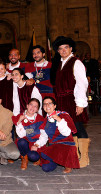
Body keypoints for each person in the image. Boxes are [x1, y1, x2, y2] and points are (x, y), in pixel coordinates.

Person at [52, 36, 90, 168]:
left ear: (71, 48)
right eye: (60, 49)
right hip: (62, 101)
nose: (63, 51)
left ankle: (84, 157)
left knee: (78, 128)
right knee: (69, 129)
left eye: (66, 48)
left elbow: (82, 83)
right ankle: (76, 155)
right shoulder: (61, 64)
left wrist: (80, 103)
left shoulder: (76, 62)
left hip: (72, 100)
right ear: (58, 51)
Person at [35, 97, 80, 173]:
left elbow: (66, 133)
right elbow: (44, 137)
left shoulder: (63, 115)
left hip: (66, 146)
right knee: (46, 168)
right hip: (54, 147)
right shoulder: (45, 120)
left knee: (46, 154)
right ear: (43, 107)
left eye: (50, 103)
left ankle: (67, 162)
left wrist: (59, 120)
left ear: (55, 106)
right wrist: (37, 144)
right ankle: (57, 161)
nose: (47, 105)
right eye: (45, 104)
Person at [12, 98, 45, 170]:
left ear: (37, 110)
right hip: (25, 142)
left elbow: (44, 135)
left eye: (35, 106)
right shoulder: (19, 117)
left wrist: (37, 145)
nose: (32, 107)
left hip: (35, 143)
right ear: (27, 106)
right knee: (21, 141)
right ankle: (24, 157)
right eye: (31, 105)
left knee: (33, 157)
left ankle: (36, 157)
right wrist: (19, 121)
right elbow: (21, 135)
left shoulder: (41, 119)